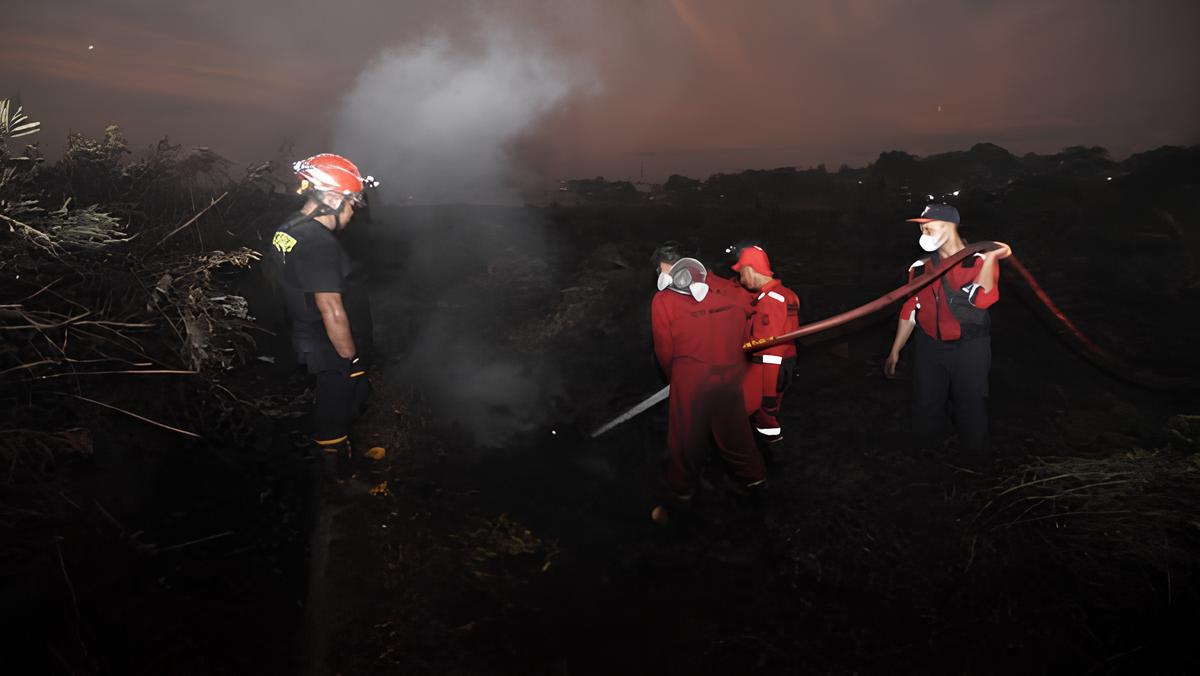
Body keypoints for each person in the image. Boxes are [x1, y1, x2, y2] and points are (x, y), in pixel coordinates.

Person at [264, 153, 379, 472]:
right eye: (352, 203)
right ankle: (336, 473)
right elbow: (332, 311)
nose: (354, 211)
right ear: (330, 197)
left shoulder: (289, 227)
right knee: (340, 403)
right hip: (326, 343)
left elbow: (278, 277)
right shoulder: (319, 245)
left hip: (303, 332)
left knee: (334, 398)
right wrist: (351, 360)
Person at [649, 243, 767, 524]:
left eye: (667, 273)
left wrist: (674, 378)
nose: (669, 282)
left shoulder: (663, 302)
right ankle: (758, 484)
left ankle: (681, 497)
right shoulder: (734, 291)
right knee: (735, 432)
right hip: (730, 375)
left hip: (691, 379)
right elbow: (751, 325)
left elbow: (664, 350)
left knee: (685, 439)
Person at [883, 204, 1012, 456]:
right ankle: (925, 456)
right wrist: (895, 350)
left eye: (930, 223)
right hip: (929, 344)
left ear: (951, 225)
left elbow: (982, 300)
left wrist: (992, 257)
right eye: (921, 225)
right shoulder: (919, 266)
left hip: (969, 346)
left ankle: (974, 459)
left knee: (970, 403)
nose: (924, 228)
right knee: (925, 402)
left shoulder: (979, 259)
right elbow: (911, 308)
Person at [732, 245, 801, 444]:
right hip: (787, 365)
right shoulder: (788, 294)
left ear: (750, 269)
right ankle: (771, 448)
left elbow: (771, 349)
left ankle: (762, 454)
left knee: (737, 412)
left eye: (741, 273)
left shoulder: (769, 301)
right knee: (765, 418)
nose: (741, 280)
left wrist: (768, 394)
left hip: (766, 369)